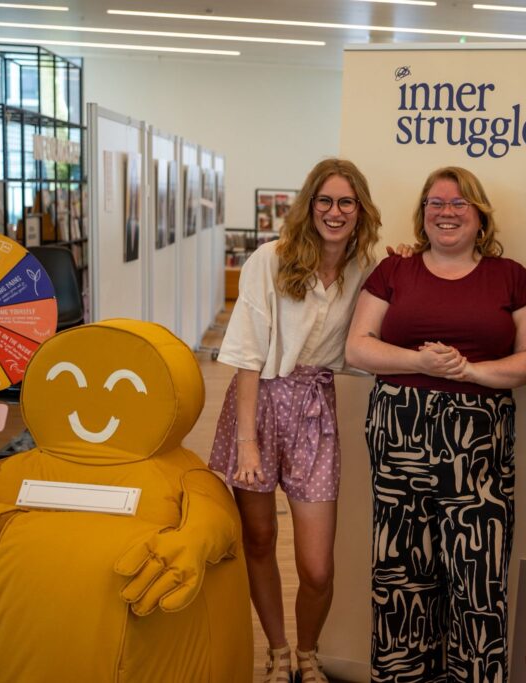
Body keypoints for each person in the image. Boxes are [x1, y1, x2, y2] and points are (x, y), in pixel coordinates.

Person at [346, 166, 526, 682]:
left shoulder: (513, 278)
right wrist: (420, 362)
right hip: (399, 440)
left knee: (478, 582)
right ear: (422, 214)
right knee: (401, 578)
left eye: (459, 203)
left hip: (478, 453)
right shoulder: (394, 271)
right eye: (436, 203)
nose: (447, 212)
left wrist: (469, 371)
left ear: (480, 216)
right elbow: (358, 347)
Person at [209, 158, 381, 683]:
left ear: (360, 210)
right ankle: (279, 651)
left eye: (346, 202)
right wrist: (247, 443)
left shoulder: (366, 270)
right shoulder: (271, 259)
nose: (334, 212)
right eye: (324, 201)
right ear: (309, 206)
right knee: (259, 539)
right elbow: (247, 355)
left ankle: (309, 650)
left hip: (314, 410)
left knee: (317, 567)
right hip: (257, 403)